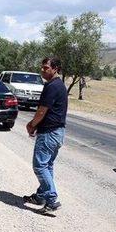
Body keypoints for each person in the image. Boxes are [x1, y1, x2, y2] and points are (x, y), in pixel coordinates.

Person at [24, 56, 68, 214]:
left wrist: (32, 125)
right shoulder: (58, 85)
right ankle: (41, 195)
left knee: (40, 166)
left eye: (46, 68)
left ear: (55, 69)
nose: (42, 70)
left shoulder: (52, 86)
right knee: (47, 166)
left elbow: (42, 110)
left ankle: (51, 200)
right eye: (42, 67)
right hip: (56, 132)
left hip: (50, 132)